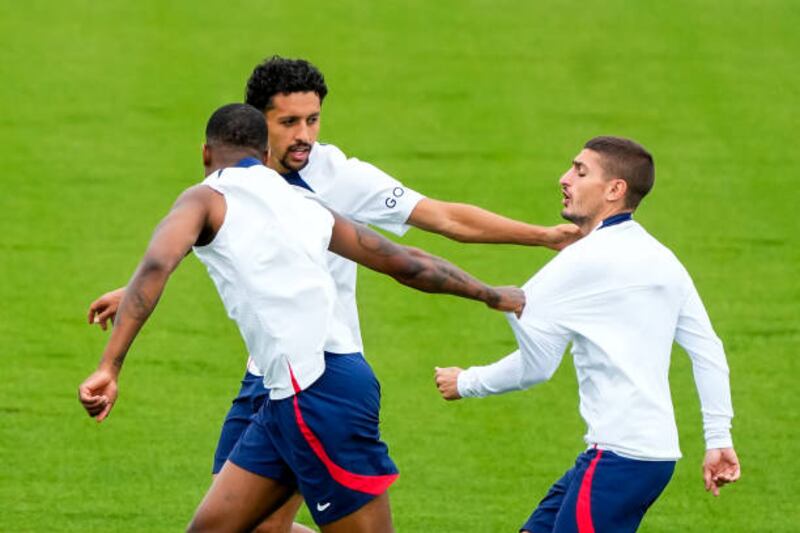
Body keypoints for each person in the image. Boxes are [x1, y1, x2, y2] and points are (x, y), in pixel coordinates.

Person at [88, 56, 579, 533]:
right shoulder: (264, 194)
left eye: (313, 120)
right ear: (259, 132)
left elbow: (440, 223)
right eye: (289, 122)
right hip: (273, 376)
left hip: (320, 377)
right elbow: (232, 243)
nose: (305, 135)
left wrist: (540, 238)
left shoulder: (330, 181)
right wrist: (135, 288)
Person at [434, 136, 741, 532]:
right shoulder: (663, 259)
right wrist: (718, 439)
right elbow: (708, 351)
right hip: (644, 458)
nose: (565, 179)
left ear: (615, 190)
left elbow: (537, 366)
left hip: (618, 459)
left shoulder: (583, 260)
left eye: (580, 172)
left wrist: (467, 381)